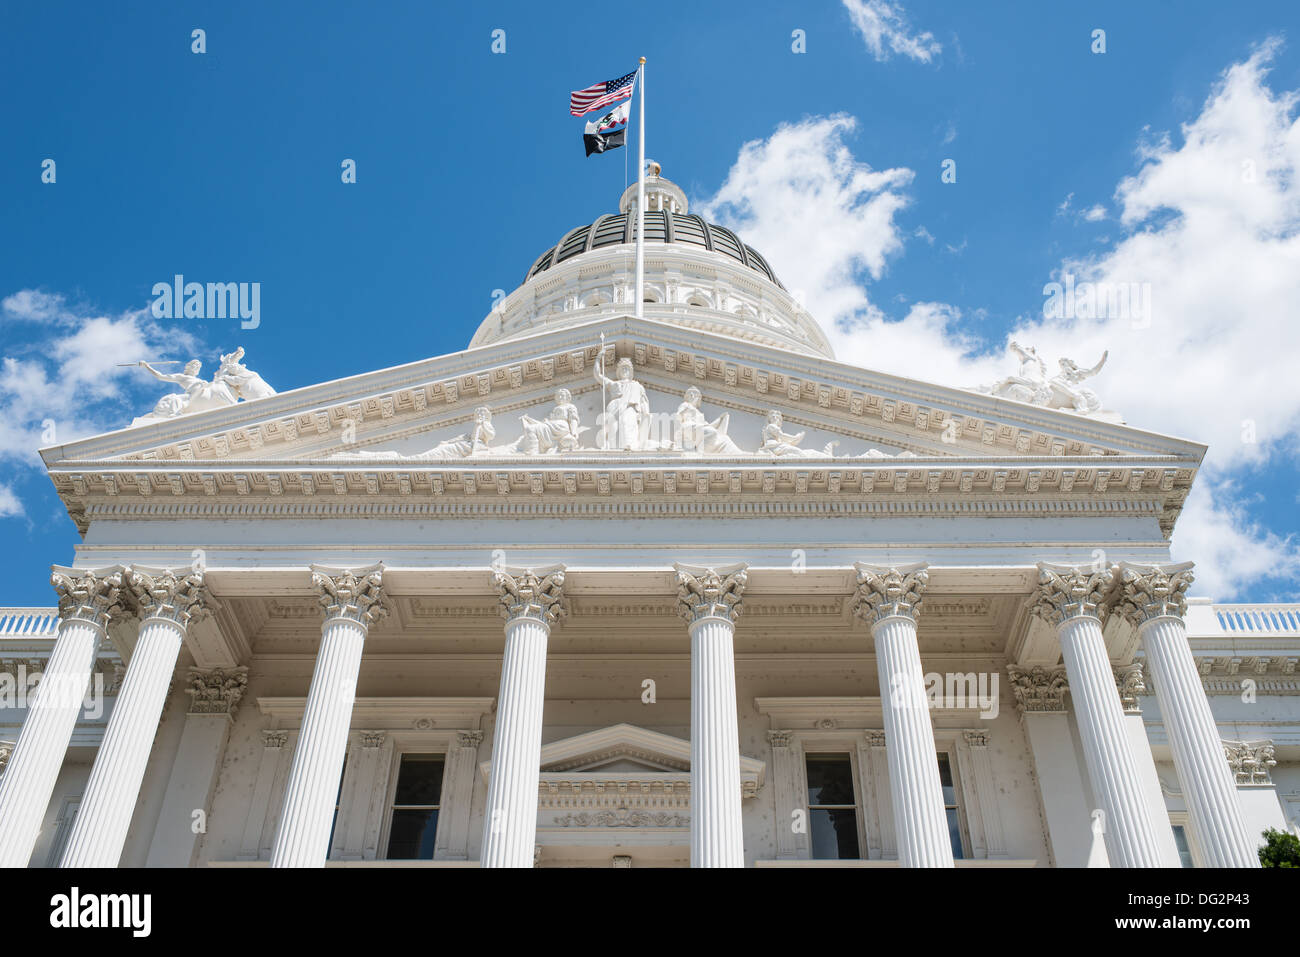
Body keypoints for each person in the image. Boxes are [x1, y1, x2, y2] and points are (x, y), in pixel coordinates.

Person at [137, 359, 237, 418]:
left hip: (203, 391)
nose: (195, 368)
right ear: (188, 367)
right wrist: (147, 366)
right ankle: (174, 414)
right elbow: (160, 376)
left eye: (197, 367)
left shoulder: (198, 379)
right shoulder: (182, 377)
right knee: (176, 399)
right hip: (191, 395)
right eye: (193, 366)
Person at [594, 355, 650, 450]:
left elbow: (643, 401)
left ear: (630, 372)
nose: (624, 370)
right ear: (618, 372)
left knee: (626, 422)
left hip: (629, 407)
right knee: (613, 428)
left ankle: (629, 445)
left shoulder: (637, 386)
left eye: (627, 369)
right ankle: (612, 448)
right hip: (614, 408)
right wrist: (597, 359)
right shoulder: (613, 384)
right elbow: (598, 375)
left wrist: (646, 414)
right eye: (622, 369)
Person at [675, 387, 742, 454]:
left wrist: (720, 420)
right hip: (688, 426)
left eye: (698, 398)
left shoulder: (699, 413)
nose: (698, 401)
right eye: (697, 398)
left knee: (724, 438)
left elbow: (708, 427)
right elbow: (678, 416)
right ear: (692, 396)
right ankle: (701, 453)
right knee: (712, 432)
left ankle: (738, 454)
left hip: (697, 428)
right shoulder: (686, 405)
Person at [516, 389, 582, 454]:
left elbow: (573, 419)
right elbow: (544, 424)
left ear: (567, 397)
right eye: (558, 396)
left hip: (560, 427)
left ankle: (533, 452)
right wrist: (529, 419)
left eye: (562, 395)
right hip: (552, 426)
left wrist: (574, 431)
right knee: (530, 429)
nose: (560, 397)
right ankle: (533, 451)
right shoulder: (555, 409)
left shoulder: (570, 406)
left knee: (531, 429)